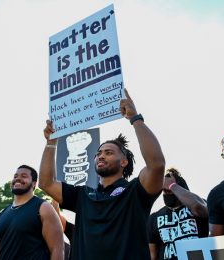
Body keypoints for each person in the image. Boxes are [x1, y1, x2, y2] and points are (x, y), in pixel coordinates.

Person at [39, 89, 166, 260]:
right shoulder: (83, 195)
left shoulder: (135, 192)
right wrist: (51, 143)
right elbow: (46, 183)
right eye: (98, 153)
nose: (101, 155)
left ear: (124, 162)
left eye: (108, 152)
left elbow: (156, 165)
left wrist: (135, 119)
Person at [0, 165, 64, 260]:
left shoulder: (43, 207)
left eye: (24, 176)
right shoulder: (1, 214)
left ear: (34, 184)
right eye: (15, 176)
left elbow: (57, 249)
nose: (18, 179)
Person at [147, 168, 208, 260]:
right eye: (165, 190)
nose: (167, 192)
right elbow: (152, 255)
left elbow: (200, 209)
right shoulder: (154, 218)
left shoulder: (198, 204)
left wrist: (172, 185)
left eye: (170, 190)